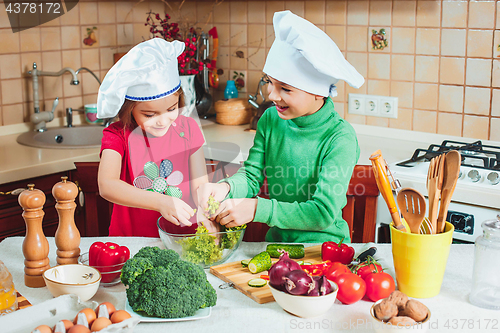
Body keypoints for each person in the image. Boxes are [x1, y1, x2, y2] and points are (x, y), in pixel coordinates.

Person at [198, 11, 365, 243]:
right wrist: (225, 188)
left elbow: (323, 212)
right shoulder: (270, 120)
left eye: (285, 88)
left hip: (325, 249)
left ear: (318, 92)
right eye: (270, 82)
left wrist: (257, 209)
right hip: (276, 246)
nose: (272, 95)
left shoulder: (340, 138)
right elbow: (251, 176)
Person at [97, 38, 208, 237]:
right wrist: (161, 202)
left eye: (171, 109)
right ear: (129, 110)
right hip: (132, 241)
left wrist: (208, 215)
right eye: (150, 115)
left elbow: (200, 186)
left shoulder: (189, 129)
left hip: (182, 237)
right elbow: (107, 185)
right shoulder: (117, 135)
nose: (163, 120)